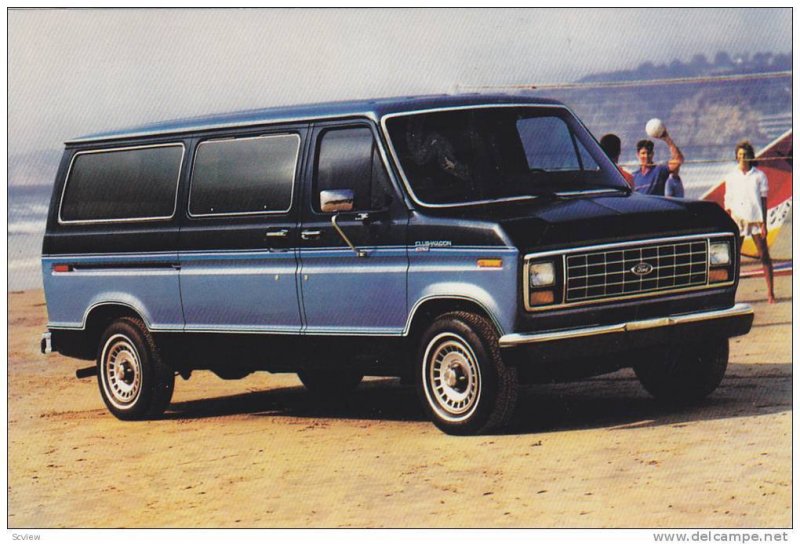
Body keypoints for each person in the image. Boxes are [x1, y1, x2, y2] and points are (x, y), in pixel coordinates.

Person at [724, 140, 775, 303]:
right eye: (739, 155)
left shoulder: (759, 176)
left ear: (750, 157)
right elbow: (728, 201)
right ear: (736, 157)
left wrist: (764, 223)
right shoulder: (731, 176)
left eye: (745, 155)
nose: (742, 158)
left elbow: (763, 201)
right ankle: (729, 295)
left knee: (764, 255)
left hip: (756, 220)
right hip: (737, 221)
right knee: (733, 259)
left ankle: (770, 293)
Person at [632, 128, 684, 195]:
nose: (646, 156)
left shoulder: (659, 170)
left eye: (649, 153)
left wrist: (666, 138)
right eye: (643, 153)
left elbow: (678, 160)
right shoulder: (634, 176)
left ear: (653, 154)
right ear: (638, 155)